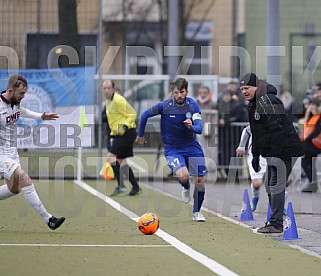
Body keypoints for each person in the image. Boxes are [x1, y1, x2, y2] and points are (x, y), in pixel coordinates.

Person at [239, 73, 303, 234]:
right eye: (241, 89)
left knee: (275, 185)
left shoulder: (267, 100)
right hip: (275, 151)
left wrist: (275, 154)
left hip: (285, 150)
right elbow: (257, 132)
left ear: (255, 86)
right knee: (269, 185)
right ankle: (274, 220)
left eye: (246, 88)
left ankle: (276, 224)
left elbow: (276, 129)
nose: (244, 92)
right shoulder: (254, 103)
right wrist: (255, 154)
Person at [136, 77, 207, 222]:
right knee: (184, 175)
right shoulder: (165, 106)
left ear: (186, 91)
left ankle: (196, 212)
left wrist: (191, 126)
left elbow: (200, 128)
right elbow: (144, 115)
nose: (179, 95)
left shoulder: (193, 106)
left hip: (192, 146)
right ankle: (185, 187)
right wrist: (141, 134)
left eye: (182, 92)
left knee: (200, 180)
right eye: (176, 92)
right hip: (173, 149)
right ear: (172, 93)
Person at [0, 74, 65, 230]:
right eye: (21, 93)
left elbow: (22, 111)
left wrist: (41, 116)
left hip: (12, 152)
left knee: (14, 189)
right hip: (1, 155)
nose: (23, 96)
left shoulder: (15, 103)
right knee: (25, 179)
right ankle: (49, 219)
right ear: (10, 90)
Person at [102, 80, 141, 196]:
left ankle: (121, 186)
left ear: (113, 89)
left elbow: (133, 114)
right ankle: (135, 186)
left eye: (108, 88)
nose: (106, 90)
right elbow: (114, 121)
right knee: (121, 161)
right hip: (119, 134)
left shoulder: (118, 99)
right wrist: (113, 135)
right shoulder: (108, 101)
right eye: (104, 88)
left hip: (127, 132)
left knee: (111, 157)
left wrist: (124, 125)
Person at [236, 124, 267, 212]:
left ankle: (279, 206)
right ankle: (255, 199)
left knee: (284, 182)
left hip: (274, 153)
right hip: (257, 155)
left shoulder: (279, 118)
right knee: (257, 184)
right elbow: (247, 130)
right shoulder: (259, 117)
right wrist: (241, 146)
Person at [300, 97, 321, 192]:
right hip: (311, 144)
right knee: (310, 164)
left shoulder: (319, 117)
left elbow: (316, 132)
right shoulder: (312, 117)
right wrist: (308, 113)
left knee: (305, 163)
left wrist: (306, 140)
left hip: (315, 145)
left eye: (312, 105)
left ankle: (313, 183)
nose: (310, 107)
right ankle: (313, 184)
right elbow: (305, 128)